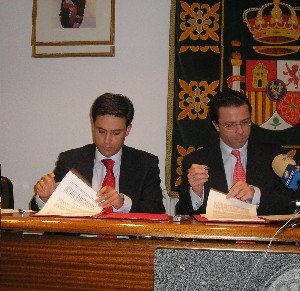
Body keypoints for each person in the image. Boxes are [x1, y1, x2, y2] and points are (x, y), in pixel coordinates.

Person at [31, 93, 165, 214]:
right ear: (93, 125)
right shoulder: (70, 160)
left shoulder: (146, 164)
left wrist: (122, 203)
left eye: (116, 133)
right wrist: (45, 197)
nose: (107, 140)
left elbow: (157, 210)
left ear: (128, 130)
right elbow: (40, 211)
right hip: (79, 240)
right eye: (101, 131)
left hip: (126, 240)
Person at [176, 88, 294, 216]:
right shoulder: (196, 161)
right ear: (216, 125)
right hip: (217, 235)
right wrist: (196, 193)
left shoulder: (274, 157)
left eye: (245, 122)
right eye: (230, 125)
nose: (240, 131)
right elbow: (182, 212)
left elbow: (291, 203)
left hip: (263, 234)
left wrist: (256, 196)